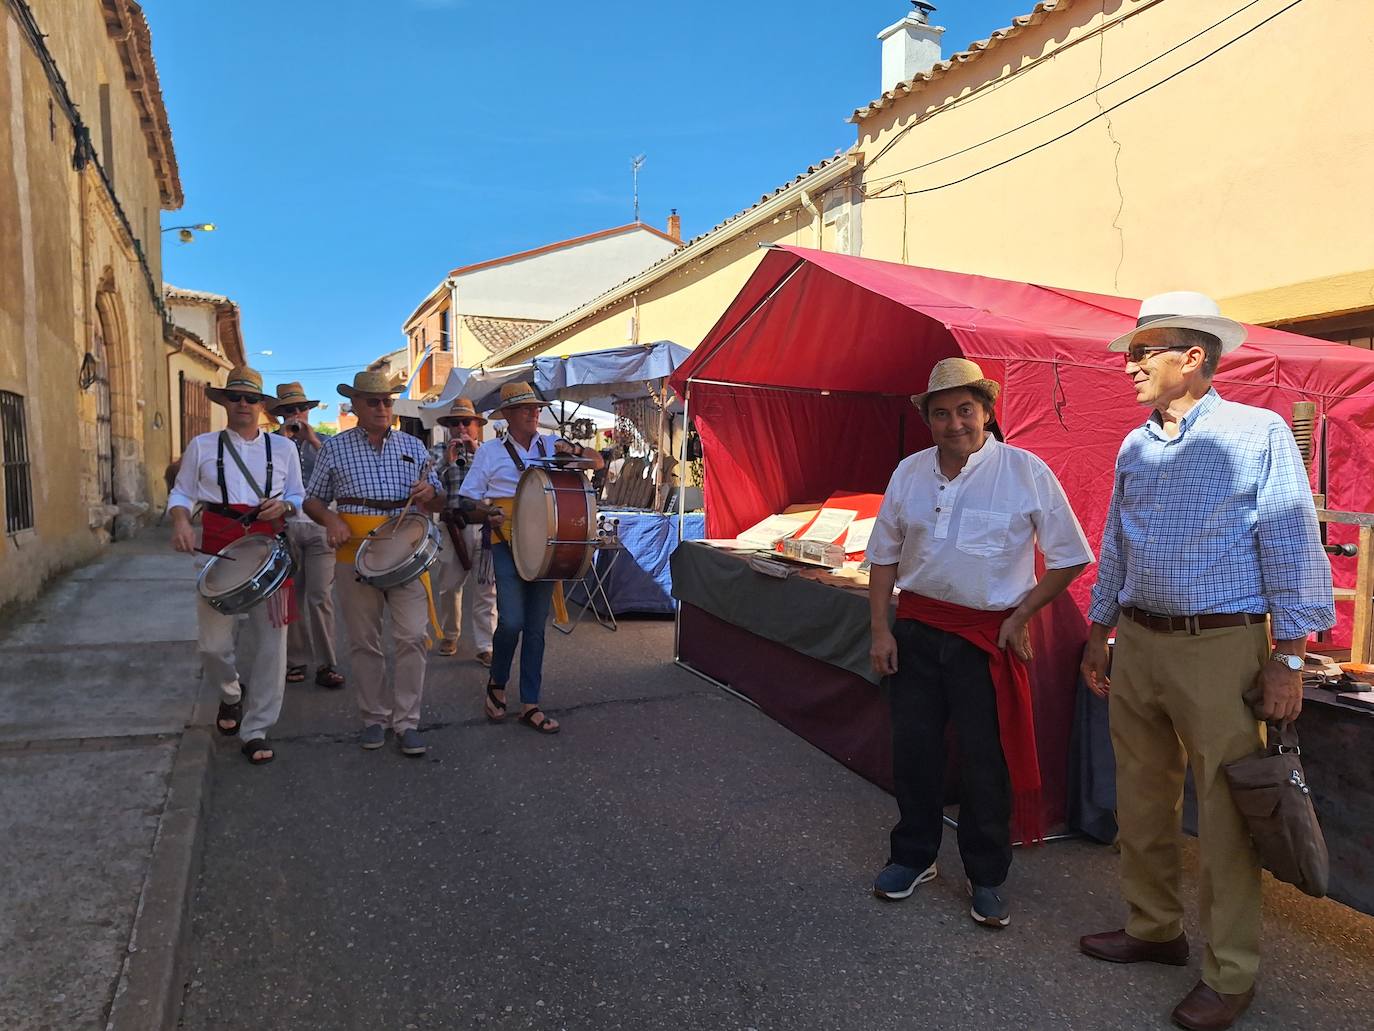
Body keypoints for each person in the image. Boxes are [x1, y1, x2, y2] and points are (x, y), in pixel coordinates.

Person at [1078, 292, 1335, 1031]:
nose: (1130, 366)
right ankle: (1154, 926)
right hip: (1139, 640)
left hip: (1221, 645)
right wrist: (1099, 628)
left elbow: (1290, 538)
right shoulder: (1134, 446)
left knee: (1226, 812)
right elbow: (1117, 539)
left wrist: (1289, 657)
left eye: (1143, 353)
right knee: (1141, 796)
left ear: (1193, 357)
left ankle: (1230, 971)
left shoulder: (1256, 433)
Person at [867, 358, 1092, 928]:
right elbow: (883, 555)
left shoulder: (1024, 470)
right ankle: (913, 856)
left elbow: (1070, 557)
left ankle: (986, 874)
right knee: (914, 753)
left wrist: (1022, 616)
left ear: (987, 412)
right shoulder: (909, 472)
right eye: (941, 414)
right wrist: (880, 629)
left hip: (984, 639)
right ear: (928, 420)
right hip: (916, 632)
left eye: (965, 410)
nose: (954, 424)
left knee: (985, 762)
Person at [167, 366, 305, 766]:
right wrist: (180, 522)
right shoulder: (202, 446)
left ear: (262, 405)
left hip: (270, 552)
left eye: (251, 398)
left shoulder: (284, 449)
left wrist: (286, 506)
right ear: (225, 401)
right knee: (212, 646)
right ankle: (231, 693)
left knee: (272, 646)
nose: (243, 404)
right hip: (217, 549)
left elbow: (298, 495)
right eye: (236, 397)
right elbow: (182, 493)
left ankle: (257, 729)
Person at [303, 369, 444, 757]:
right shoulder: (334, 448)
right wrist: (330, 520)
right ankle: (374, 718)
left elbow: (439, 500)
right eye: (373, 402)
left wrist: (430, 493)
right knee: (364, 642)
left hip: (405, 550)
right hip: (354, 552)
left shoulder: (414, 446)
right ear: (356, 406)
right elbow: (312, 500)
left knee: (413, 636)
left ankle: (407, 721)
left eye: (387, 401)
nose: (382, 407)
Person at [459, 381, 604, 734]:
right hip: (506, 541)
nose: (534, 413)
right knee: (511, 621)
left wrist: (574, 450)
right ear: (507, 415)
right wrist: (487, 512)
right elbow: (466, 500)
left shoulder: (552, 445)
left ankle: (530, 703)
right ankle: (497, 683)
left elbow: (598, 462)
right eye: (526, 408)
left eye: (536, 408)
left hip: (546, 543)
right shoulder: (489, 452)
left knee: (536, 627)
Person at [274, 382, 344, 690]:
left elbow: (339, 471)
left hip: (319, 526)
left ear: (308, 411)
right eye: (289, 410)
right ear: (280, 414)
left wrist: (312, 439)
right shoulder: (271, 443)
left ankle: (327, 663)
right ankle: (296, 660)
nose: (296, 414)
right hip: (286, 527)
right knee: (291, 597)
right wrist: (284, 441)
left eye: (300, 409)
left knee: (320, 596)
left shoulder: (326, 442)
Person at [430, 397, 497, 666]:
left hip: (486, 527)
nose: (460, 427)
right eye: (454, 423)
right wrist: (447, 463)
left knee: (486, 589)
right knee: (448, 586)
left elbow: (498, 481)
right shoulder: (437, 452)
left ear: (477, 426)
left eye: (466, 422)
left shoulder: (489, 451)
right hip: (452, 527)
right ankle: (450, 635)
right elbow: (429, 488)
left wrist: (476, 453)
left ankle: (486, 645)